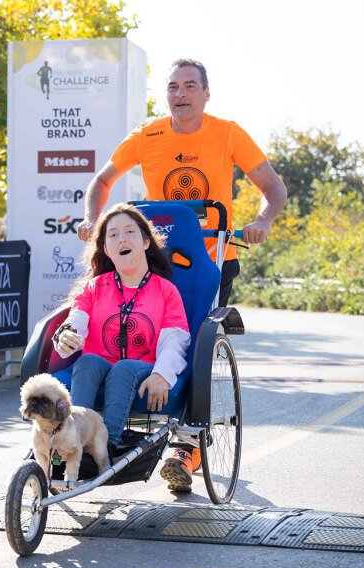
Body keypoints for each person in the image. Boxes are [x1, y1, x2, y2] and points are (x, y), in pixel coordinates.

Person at [76, 58, 287, 308]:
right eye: (173, 87)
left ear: (206, 94)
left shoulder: (228, 133)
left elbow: (274, 187)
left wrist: (263, 221)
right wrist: (91, 218)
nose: (180, 94)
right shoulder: (146, 135)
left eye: (190, 86)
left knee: (202, 336)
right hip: (156, 256)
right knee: (149, 329)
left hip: (215, 256)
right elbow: (101, 181)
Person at [50, 203, 196, 492]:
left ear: (145, 242)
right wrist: (65, 336)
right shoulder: (94, 288)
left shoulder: (165, 290)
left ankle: (107, 445)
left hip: (143, 367)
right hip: (99, 363)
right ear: (105, 248)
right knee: (87, 362)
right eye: (113, 235)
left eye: (130, 232)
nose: (122, 239)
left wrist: (162, 375)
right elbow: (75, 321)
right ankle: (72, 440)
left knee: (124, 368)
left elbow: (175, 339)